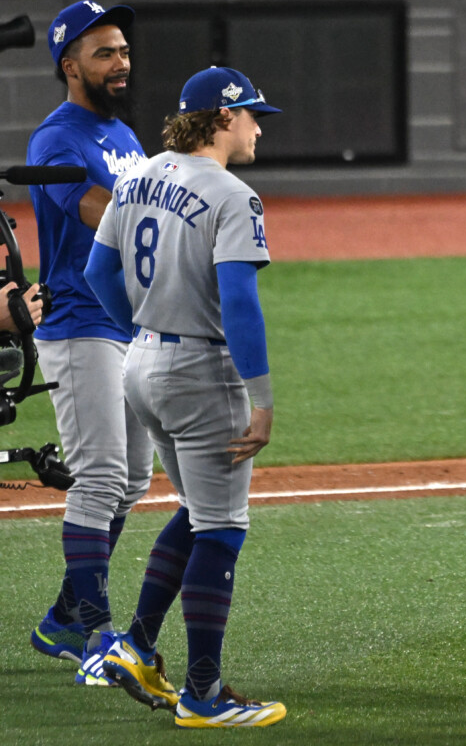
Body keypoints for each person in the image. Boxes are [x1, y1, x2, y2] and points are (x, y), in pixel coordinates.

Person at [85, 65, 286, 728]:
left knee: (197, 510)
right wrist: (260, 398)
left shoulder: (138, 173)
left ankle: (137, 645)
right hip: (201, 374)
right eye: (253, 114)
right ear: (223, 118)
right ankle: (203, 692)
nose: (259, 126)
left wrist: (141, 328)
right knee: (222, 529)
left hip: (140, 363)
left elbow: (97, 269)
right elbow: (239, 302)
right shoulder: (232, 195)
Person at [26, 0, 155, 686]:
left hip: (128, 326)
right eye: (105, 52)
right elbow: (97, 211)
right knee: (102, 476)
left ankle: (62, 620)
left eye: (124, 50)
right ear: (69, 65)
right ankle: (97, 635)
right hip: (80, 325)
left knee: (132, 478)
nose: (121, 62)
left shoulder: (124, 136)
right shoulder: (57, 139)